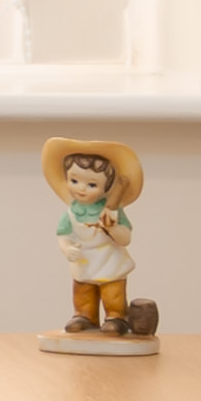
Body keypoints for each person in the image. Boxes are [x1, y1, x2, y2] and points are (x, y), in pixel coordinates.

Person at [41, 138, 153, 348]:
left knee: (113, 293)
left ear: (107, 188)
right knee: (83, 292)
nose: (81, 189)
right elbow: (63, 235)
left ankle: (115, 317)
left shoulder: (113, 212)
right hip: (84, 261)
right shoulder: (71, 213)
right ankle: (84, 316)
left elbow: (126, 238)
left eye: (92, 184)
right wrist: (67, 249)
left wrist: (112, 228)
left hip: (109, 260)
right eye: (74, 181)